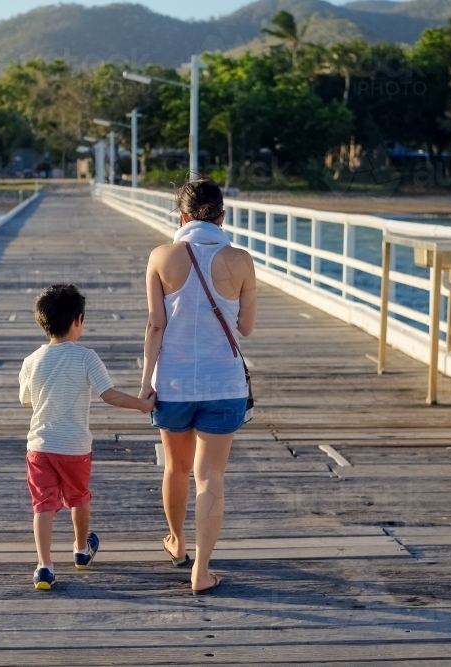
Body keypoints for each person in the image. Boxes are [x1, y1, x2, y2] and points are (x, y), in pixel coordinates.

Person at [139, 177, 257, 594]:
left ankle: (176, 542)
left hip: (171, 382)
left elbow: (156, 324)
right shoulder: (241, 260)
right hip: (223, 383)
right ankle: (201, 571)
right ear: (222, 216)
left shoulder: (161, 256)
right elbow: (246, 327)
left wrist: (145, 383)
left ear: (182, 215)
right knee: (211, 476)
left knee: (176, 467)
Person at [20, 284, 155, 591]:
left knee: (43, 505)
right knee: (78, 498)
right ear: (78, 320)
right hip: (74, 446)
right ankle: (82, 549)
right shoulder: (86, 357)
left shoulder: (31, 361)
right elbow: (109, 395)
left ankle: (44, 566)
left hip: (39, 446)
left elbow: (25, 400)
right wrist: (143, 404)